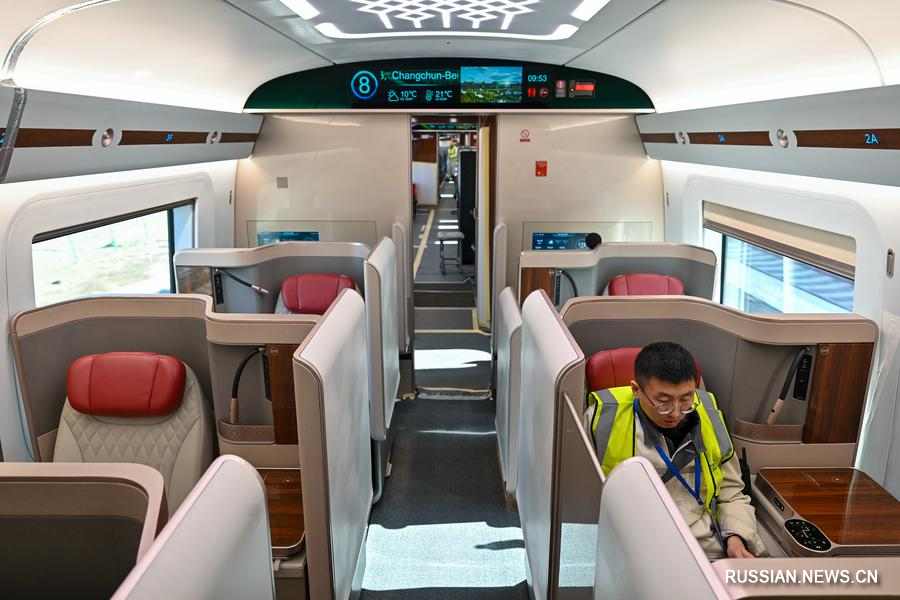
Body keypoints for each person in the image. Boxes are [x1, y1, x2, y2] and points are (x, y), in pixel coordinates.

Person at [584, 342, 765, 559]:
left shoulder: (710, 416)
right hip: (633, 543)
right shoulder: (602, 421)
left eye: (686, 400)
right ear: (636, 390)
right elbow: (582, 499)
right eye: (664, 402)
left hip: (702, 545)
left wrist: (736, 538)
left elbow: (731, 492)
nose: (676, 413)